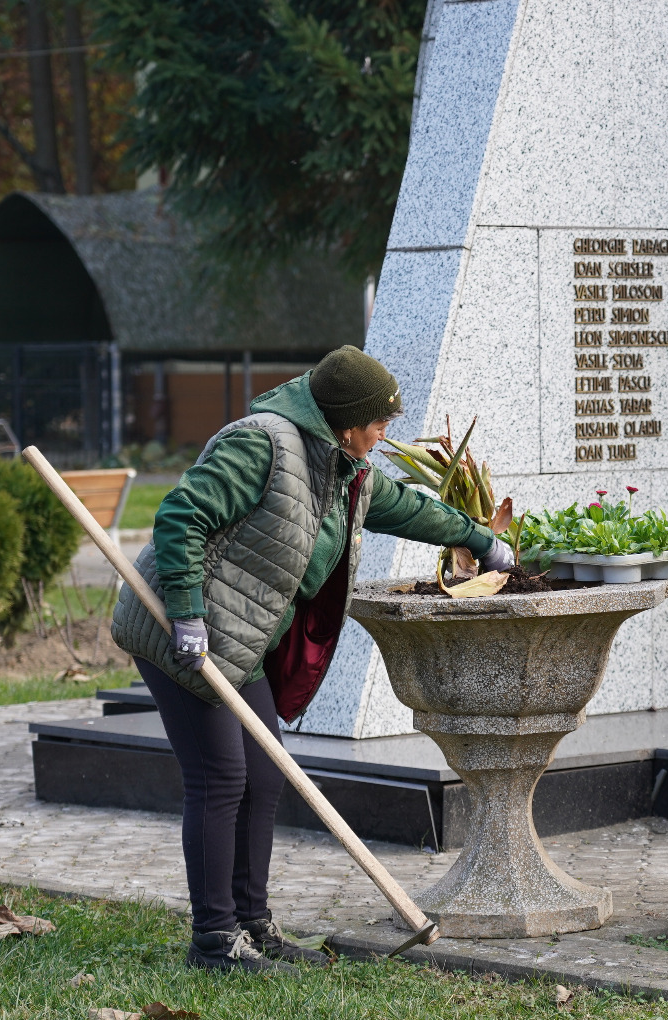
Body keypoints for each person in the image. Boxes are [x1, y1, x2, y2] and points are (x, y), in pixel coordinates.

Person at [111, 345, 515, 974]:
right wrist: (188, 613)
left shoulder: (342, 467)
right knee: (221, 780)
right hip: (180, 630)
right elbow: (180, 517)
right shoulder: (263, 445)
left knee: (263, 777)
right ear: (349, 420)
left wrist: (476, 537)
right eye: (380, 422)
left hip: (237, 642)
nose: (386, 434)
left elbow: (406, 507)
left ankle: (254, 925)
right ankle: (214, 941)